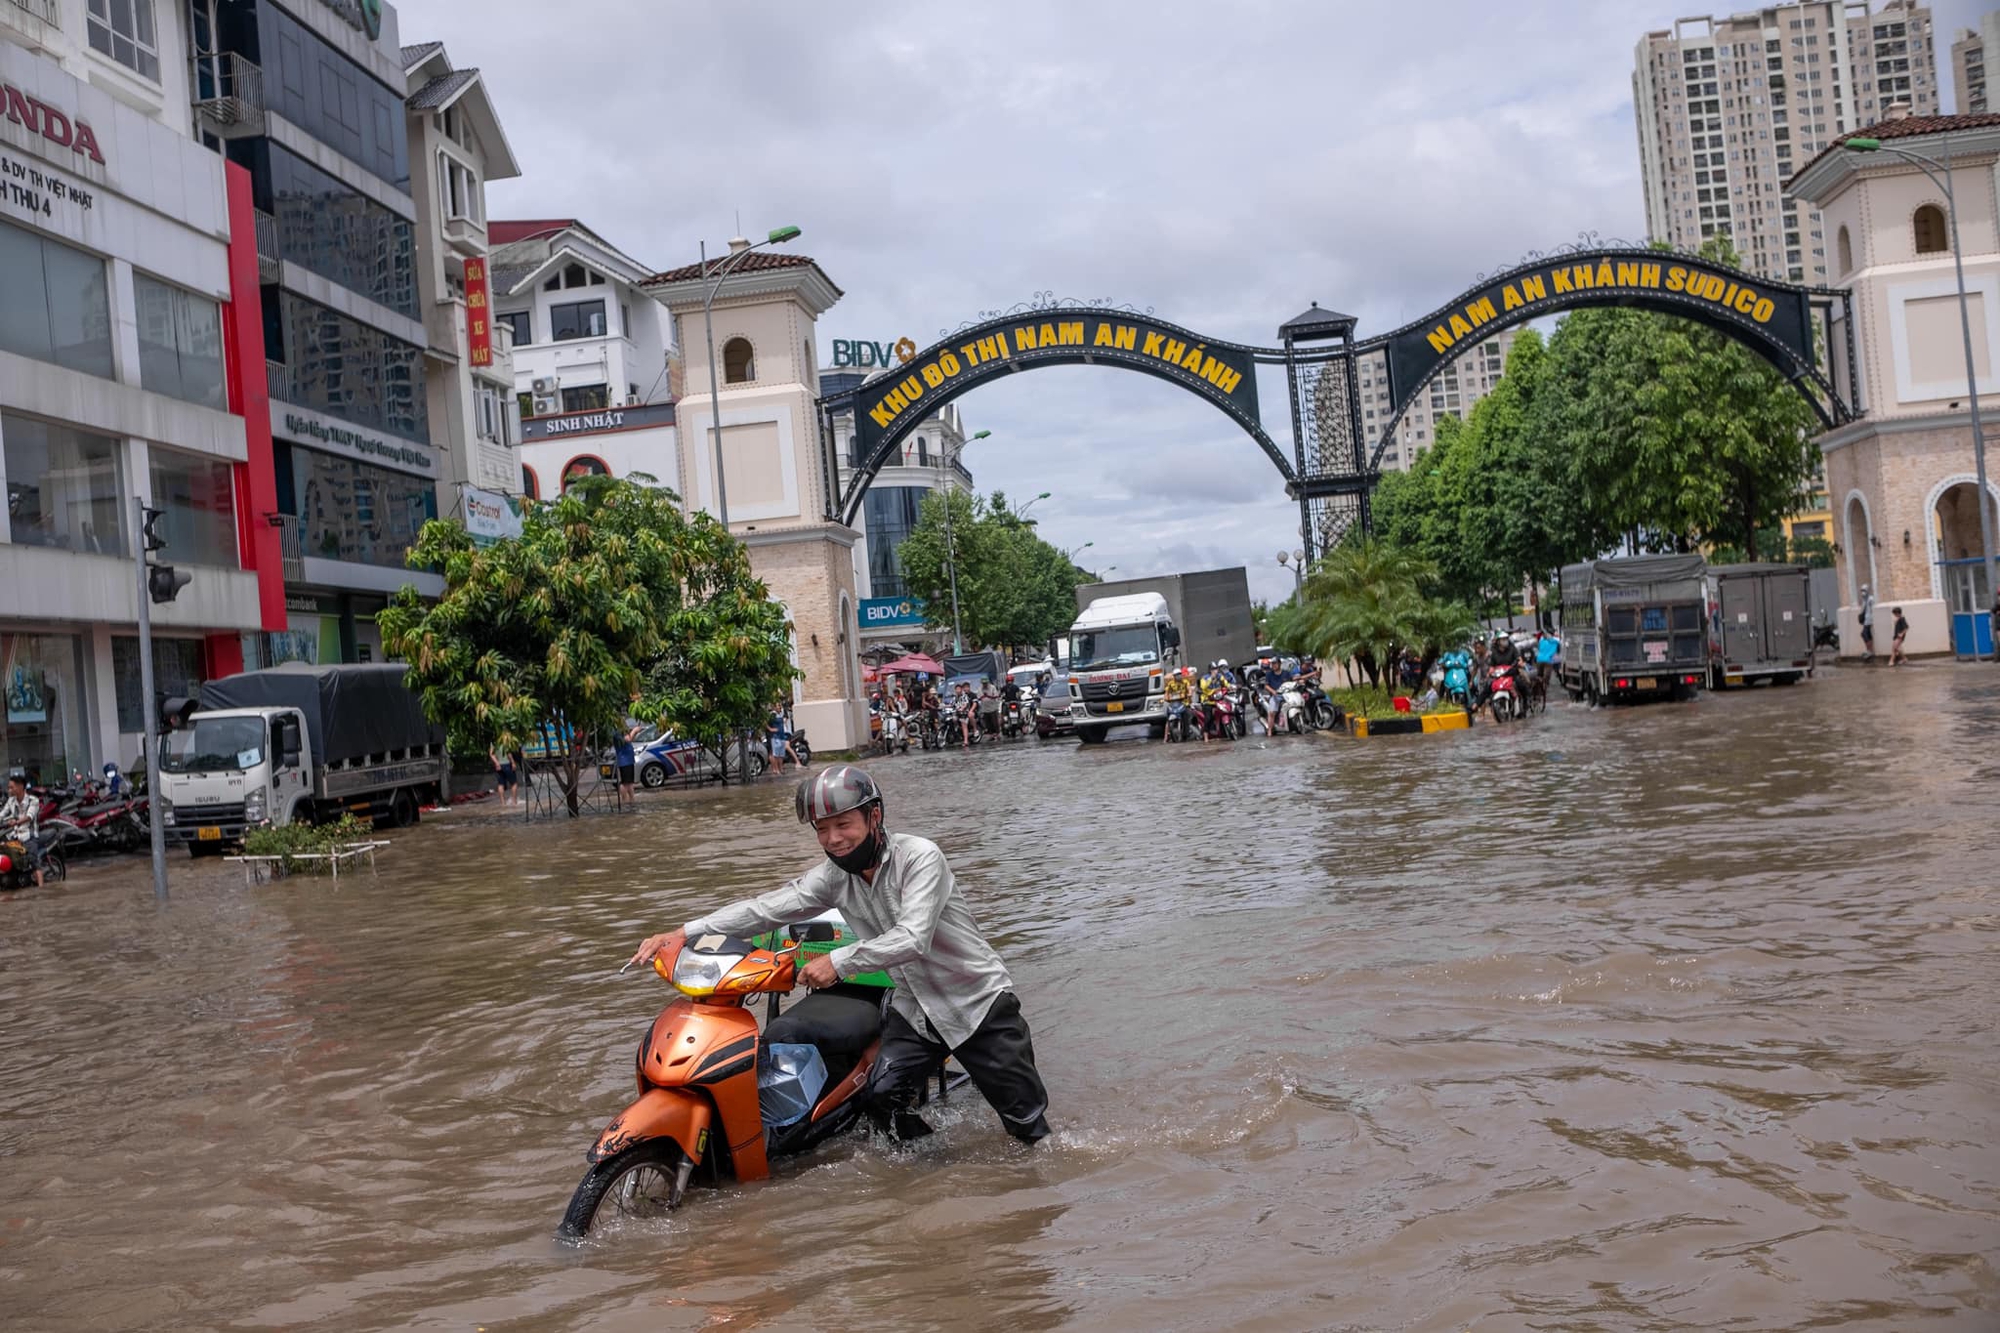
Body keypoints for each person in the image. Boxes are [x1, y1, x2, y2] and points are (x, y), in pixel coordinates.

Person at [627, 766, 1051, 1144]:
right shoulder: (833, 877)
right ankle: (927, 1182)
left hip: (976, 1002)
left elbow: (913, 938)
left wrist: (838, 962)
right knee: (881, 1099)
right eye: (821, 829)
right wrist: (683, 932)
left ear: (874, 817)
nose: (833, 839)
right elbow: (766, 907)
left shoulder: (920, 858)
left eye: (844, 824)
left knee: (1027, 1127)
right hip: (916, 1008)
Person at [1, 773, 46, 889]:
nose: (9, 790)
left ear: (20, 787)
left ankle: (42, 889)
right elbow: (2, 814)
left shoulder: (33, 800)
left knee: (34, 862)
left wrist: (16, 822)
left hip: (29, 836)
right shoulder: (11, 801)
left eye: (11, 787)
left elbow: (29, 816)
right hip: (14, 836)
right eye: (9, 787)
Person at [769, 700, 804, 773]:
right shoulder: (774, 714)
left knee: (785, 748)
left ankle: (797, 762)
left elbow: (784, 722)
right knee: (776, 752)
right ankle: (776, 769)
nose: (779, 707)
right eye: (778, 706)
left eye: (780, 706)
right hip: (779, 735)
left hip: (785, 733)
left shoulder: (783, 714)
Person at [1858, 583, 1876, 662]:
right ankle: (1869, 650)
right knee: (1866, 634)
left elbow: (1872, 609)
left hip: (1869, 620)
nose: (1863, 592)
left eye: (1864, 590)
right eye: (1861, 590)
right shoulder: (1864, 600)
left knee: (1864, 634)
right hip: (1865, 620)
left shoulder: (1870, 599)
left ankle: (1870, 651)